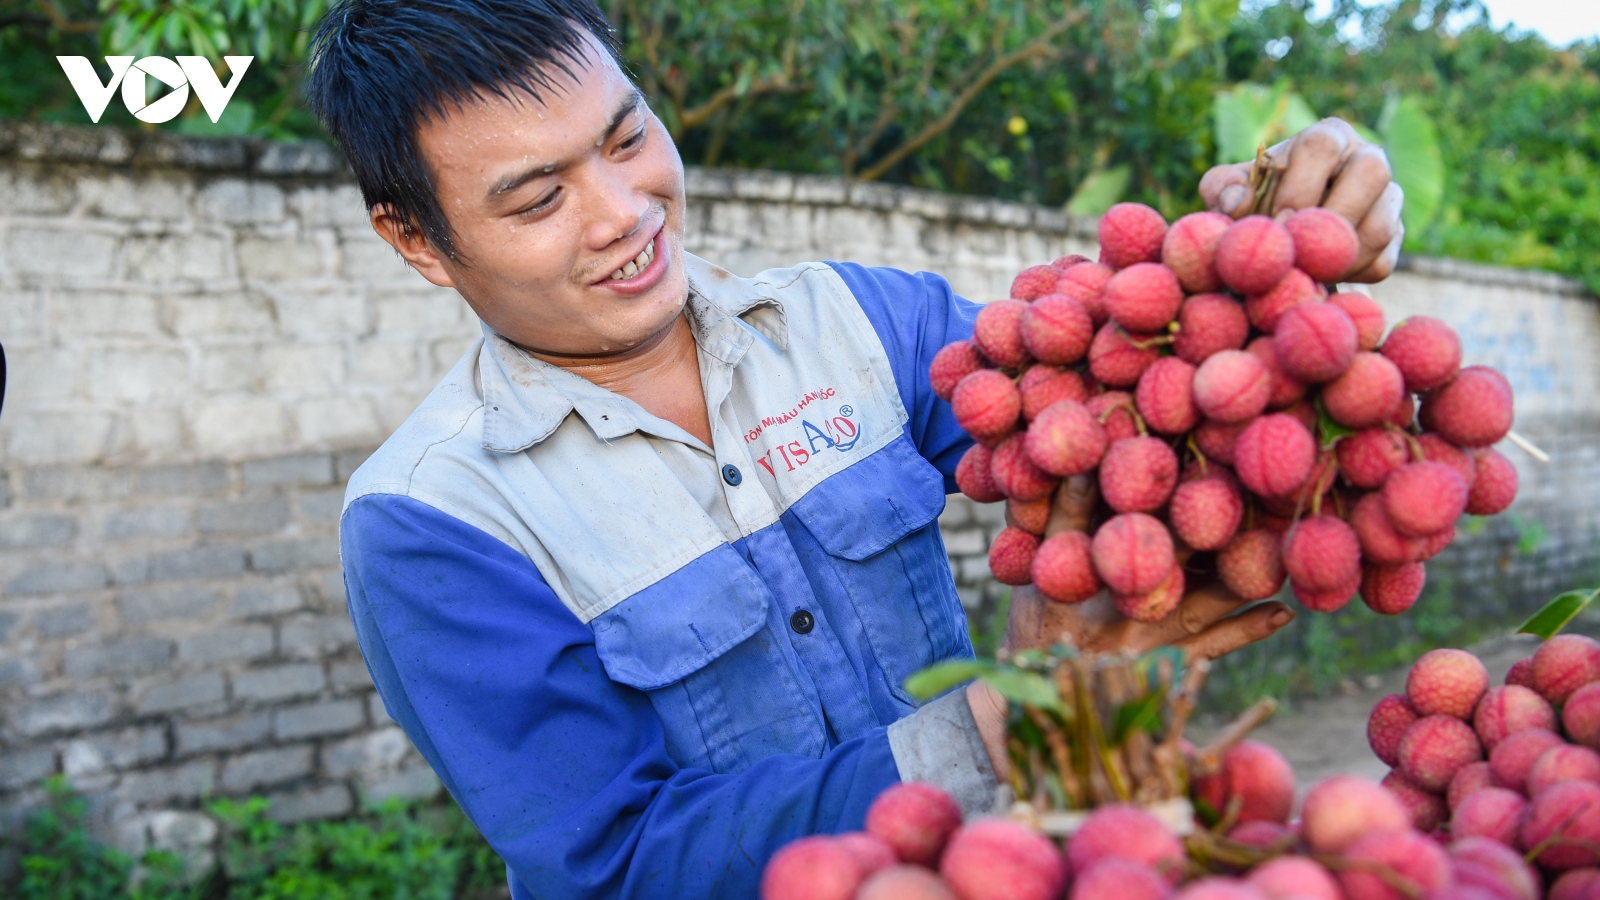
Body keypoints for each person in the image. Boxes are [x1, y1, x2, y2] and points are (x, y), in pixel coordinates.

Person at [307, 1, 1404, 895]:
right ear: (417, 240)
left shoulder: (855, 324)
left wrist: (1261, 242)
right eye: (540, 197)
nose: (623, 214)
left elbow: (1126, 394)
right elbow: (616, 863)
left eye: (627, 137)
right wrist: (1006, 716)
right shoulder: (430, 522)